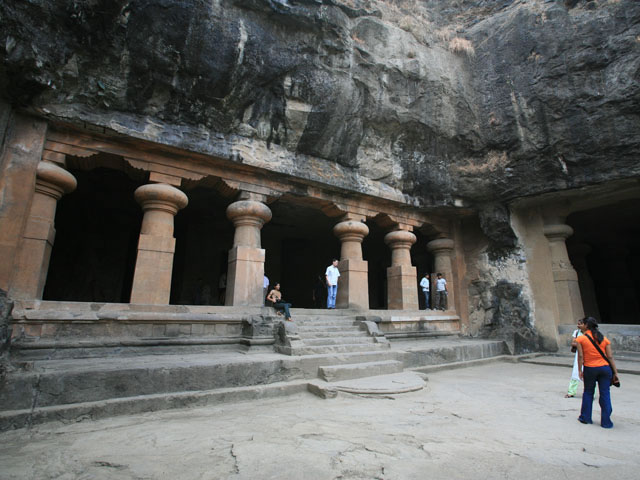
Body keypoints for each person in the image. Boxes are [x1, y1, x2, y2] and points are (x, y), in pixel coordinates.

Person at [575, 316, 620, 428]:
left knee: (588, 392)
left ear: (586, 325)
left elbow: (580, 356)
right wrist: (615, 372)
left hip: (590, 368)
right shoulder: (604, 339)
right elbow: (610, 357)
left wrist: (580, 370)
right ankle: (606, 422)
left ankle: (585, 417)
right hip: (605, 369)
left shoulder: (581, 339)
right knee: (605, 393)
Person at [565, 318, 584, 398]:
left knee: (589, 374)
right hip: (578, 354)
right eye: (578, 324)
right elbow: (573, 343)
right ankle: (571, 391)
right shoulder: (576, 332)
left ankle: (590, 393)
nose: (578, 325)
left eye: (580, 324)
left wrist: (579, 343)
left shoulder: (589, 333)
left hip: (588, 355)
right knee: (575, 373)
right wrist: (582, 344)